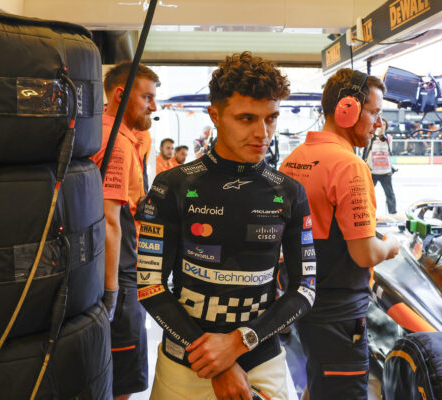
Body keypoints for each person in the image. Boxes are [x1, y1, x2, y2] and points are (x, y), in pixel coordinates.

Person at [135, 51, 315, 400]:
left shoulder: (290, 191)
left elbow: (304, 288)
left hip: (262, 359)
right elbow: (149, 284)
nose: (262, 133)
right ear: (214, 115)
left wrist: (237, 343)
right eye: (247, 118)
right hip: (184, 364)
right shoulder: (171, 185)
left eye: (271, 118)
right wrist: (215, 361)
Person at [280, 68, 400, 399]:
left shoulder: (294, 159)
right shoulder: (349, 166)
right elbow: (364, 253)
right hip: (339, 308)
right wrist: (391, 245)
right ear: (347, 109)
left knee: (318, 382)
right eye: (375, 113)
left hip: (304, 301)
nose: (378, 123)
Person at [90, 61, 158, 399]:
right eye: (147, 97)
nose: (154, 106)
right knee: (121, 379)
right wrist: (113, 292)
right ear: (120, 94)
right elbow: (109, 220)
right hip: (120, 275)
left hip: (110, 269)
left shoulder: (103, 130)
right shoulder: (115, 141)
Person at [364, 119, 397, 214]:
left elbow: (389, 151)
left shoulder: (389, 138)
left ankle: (393, 213)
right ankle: (367, 211)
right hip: (372, 171)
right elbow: (366, 151)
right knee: (367, 194)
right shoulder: (371, 137)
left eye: (384, 125)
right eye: (380, 124)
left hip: (385, 172)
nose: (382, 126)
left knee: (390, 194)